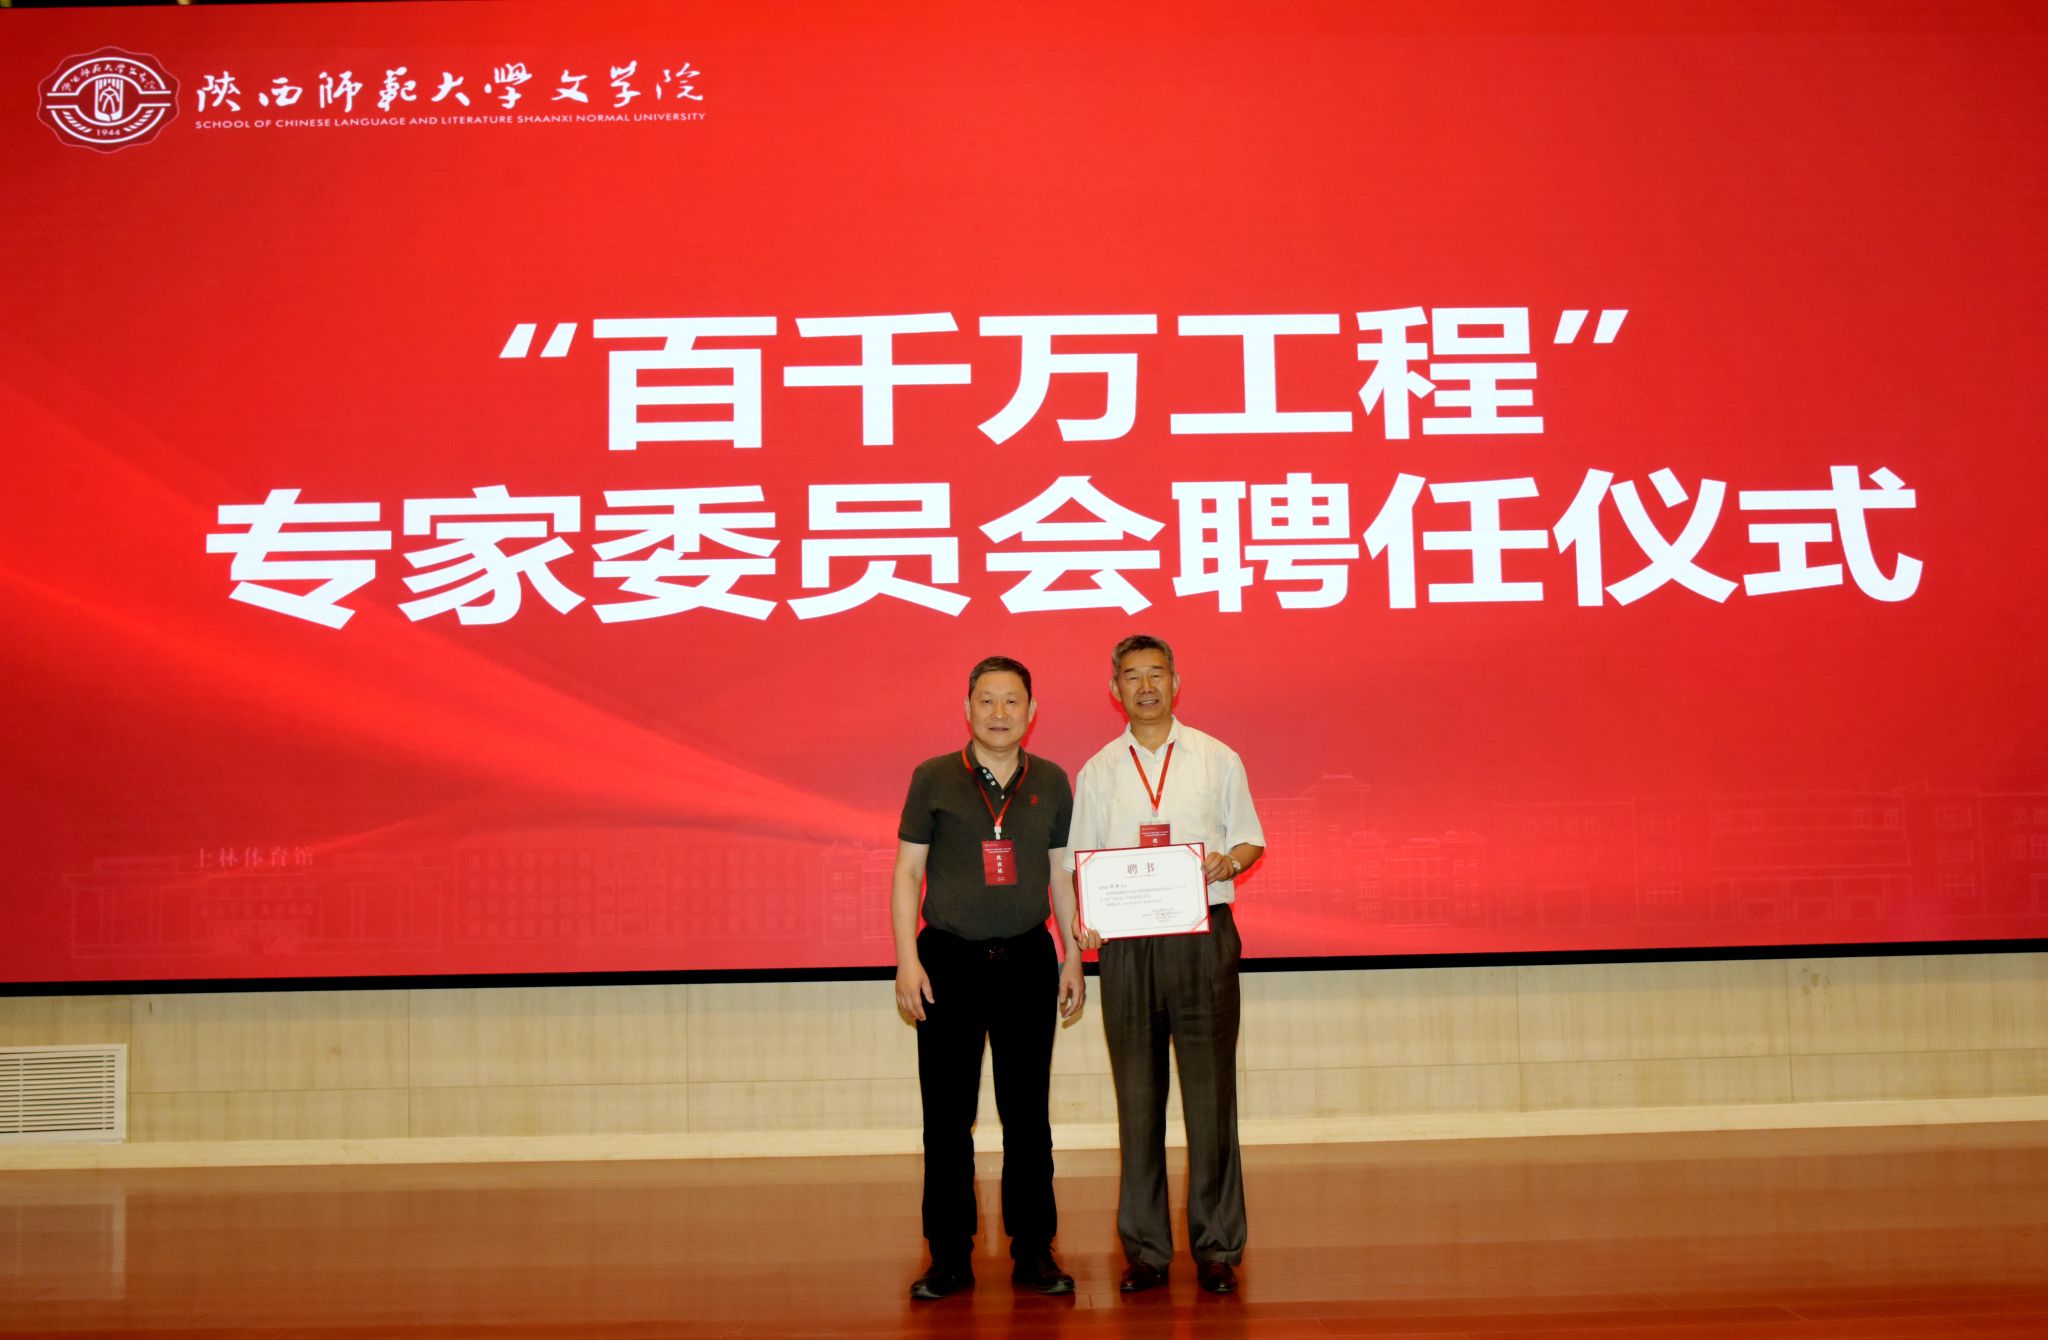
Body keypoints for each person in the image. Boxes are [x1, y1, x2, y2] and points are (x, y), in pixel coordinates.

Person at [1069, 634, 1265, 1296]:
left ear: (1176, 683)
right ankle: (1147, 1250)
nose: (1146, 686)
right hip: (1127, 947)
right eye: (1132, 676)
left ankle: (1217, 1246)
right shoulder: (1098, 771)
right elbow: (1082, 861)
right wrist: (1087, 915)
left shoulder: (1217, 757)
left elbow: (1250, 838)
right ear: (1115, 690)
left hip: (1202, 936)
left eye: (1156, 674)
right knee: (1137, 1098)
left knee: (1211, 1099)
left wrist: (1229, 862)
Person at [892, 655, 1086, 1300]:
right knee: (947, 1119)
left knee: (1027, 1115)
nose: (999, 713)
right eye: (986, 700)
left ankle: (1034, 1251)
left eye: (1012, 701)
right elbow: (907, 873)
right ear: (967, 708)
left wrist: (1073, 955)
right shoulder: (933, 777)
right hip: (947, 962)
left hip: (1028, 960)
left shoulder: (1052, 781)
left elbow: (1061, 874)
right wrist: (907, 959)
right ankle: (948, 1256)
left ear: (1032, 712)